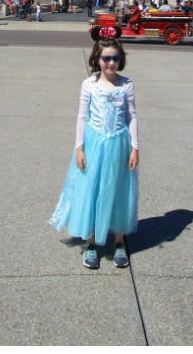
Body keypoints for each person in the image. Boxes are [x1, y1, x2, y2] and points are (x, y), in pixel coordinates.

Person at [48, 36, 139, 270]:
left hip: (119, 143)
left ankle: (119, 241)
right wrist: (79, 147)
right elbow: (82, 117)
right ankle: (90, 243)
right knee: (92, 190)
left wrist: (135, 147)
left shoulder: (126, 84)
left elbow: (132, 117)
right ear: (97, 59)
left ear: (121, 60)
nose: (111, 63)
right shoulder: (89, 84)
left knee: (119, 190)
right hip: (94, 143)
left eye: (115, 58)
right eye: (106, 58)